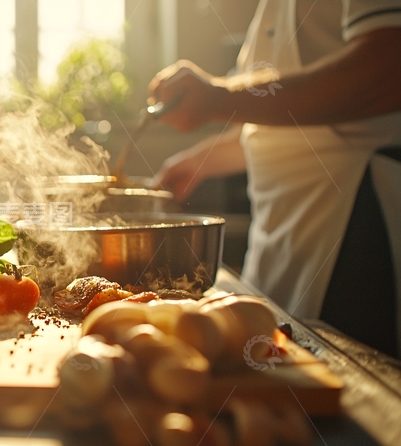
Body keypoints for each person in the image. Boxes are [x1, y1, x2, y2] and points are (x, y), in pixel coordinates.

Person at [150, 0, 401, 357]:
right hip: (278, 235)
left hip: (353, 219)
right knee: (277, 369)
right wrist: (198, 162)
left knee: (341, 384)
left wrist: (218, 98)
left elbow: (386, 71)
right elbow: (275, 128)